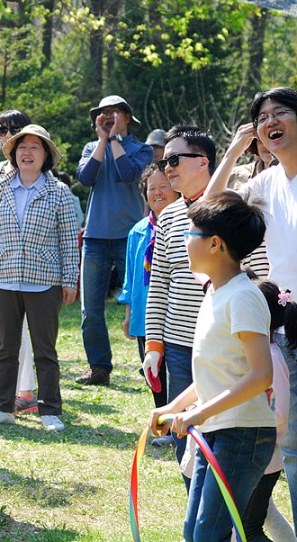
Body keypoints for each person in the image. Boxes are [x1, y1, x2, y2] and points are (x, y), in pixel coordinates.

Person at [148, 191, 274, 542]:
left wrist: (198, 415)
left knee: (208, 535)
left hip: (243, 435)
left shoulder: (243, 296)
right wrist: (174, 407)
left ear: (215, 244)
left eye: (190, 234)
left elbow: (261, 374)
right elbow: (211, 373)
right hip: (216, 430)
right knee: (195, 532)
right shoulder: (215, 293)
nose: (184, 242)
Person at [204, 87, 297, 532]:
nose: (270, 121)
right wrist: (236, 148)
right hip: (286, 323)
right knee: (293, 445)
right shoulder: (264, 182)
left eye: (281, 113)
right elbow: (208, 209)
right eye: (262, 117)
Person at [0, 124, 78, 432]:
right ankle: (3, 406)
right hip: (2, 278)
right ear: (13, 154)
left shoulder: (59, 192)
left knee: (45, 350)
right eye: (22, 147)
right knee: (5, 349)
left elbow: (69, 241)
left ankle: (50, 410)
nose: (27, 152)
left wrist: (70, 279)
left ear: (45, 155)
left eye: (35, 147)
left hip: (45, 280)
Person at [143, 125, 220, 468]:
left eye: (175, 158)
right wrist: (153, 346)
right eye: (164, 159)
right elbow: (158, 283)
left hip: (223, 344)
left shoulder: (231, 206)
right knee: (181, 433)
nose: (167, 166)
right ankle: (197, 515)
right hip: (177, 345)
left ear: (202, 161)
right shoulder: (169, 215)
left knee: (219, 434)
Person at [76, 95, 153, 386]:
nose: (108, 117)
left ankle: (149, 364)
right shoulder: (90, 148)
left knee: (139, 303)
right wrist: (102, 141)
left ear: (128, 117)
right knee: (91, 310)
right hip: (95, 237)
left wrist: (115, 140)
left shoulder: (142, 150)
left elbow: (128, 174)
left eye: (114, 113)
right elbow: (86, 177)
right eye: (102, 114)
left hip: (130, 238)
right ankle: (99, 368)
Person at [118, 164, 179, 447]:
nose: (157, 192)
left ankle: (182, 421)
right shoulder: (138, 232)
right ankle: (164, 426)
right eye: (151, 188)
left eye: (163, 186)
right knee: (152, 371)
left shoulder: (188, 224)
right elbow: (131, 275)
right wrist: (129, 313)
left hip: (177, 311)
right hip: (145, 313)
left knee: (177, 367)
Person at [241, 279, 297, 542]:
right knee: (246, 524)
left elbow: (278, 416)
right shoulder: (261, 355)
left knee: (249, 529)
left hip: (260, 459)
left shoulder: (271, 359)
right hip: (256, 458)